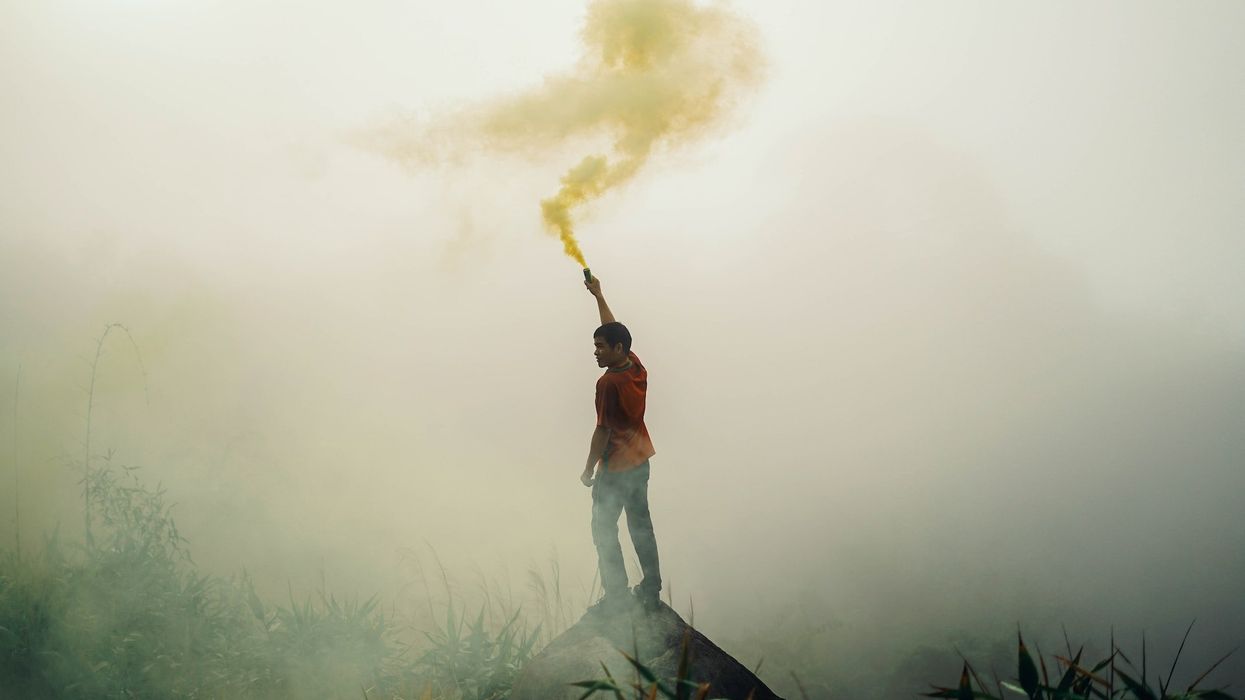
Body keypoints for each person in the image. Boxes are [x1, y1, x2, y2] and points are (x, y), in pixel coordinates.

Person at [581, 273, 661, 614]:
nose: (596, 351)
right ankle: (652, 588)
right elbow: (615, 328)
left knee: (602, 528)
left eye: (601, 346)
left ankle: (616, 596)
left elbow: (602, 432)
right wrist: (599, 295)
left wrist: (588, 470)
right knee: (641, 526)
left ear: (617, 350)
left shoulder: (608, 383)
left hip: (614, 470)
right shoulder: (635, 367)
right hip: (640, 461)